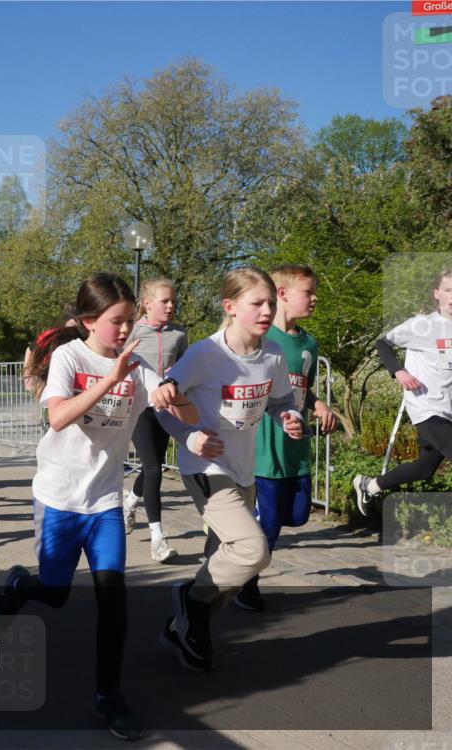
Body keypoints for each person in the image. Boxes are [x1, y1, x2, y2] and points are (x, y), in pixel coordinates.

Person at [0, 272, 197, 741]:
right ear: (89, 321)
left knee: (113, 600)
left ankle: (109, 695)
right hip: (60, 497)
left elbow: (182, 415)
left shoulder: (138, 364)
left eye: (129, 322)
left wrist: (178, 401)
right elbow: (60, 416)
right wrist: (112, 379)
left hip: (105, 500)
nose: (125, 331)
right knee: (57, 591)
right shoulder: (69, 356)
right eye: (116, 322)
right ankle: (20, 586)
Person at [155, 267, 305, 672]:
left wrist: (289, 416)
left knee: (227, 566)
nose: (266, 309)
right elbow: (162, 402)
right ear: (230, 307)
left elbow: (280, 401)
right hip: (206, 467)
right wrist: (189, 438)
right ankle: (189, 601)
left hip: (244, 469)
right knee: (253, 550)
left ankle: (180, 629)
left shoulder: (272, 353)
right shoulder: (207, 354)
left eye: (271, 302)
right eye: (256, 302)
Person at [238, 264, 339, 611]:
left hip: (296, 447)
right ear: (282, 294)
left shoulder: (309, 342)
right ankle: (246, 584)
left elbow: (301, 389)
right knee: (269, 526)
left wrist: (320, 405)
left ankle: (245, 532)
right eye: (307, 292)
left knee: (297, 515)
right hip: (265, 448)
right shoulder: (260, 339)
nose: (314, 298)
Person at [354, 268, 452, 512]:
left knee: (425, 468)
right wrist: (399, 371)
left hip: (448, 408)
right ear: (437, 294)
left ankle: (370, 485)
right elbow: (383, 343)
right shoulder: (422, 325)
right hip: (427, 406)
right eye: (449, 290)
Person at [123, 279, 189, 563]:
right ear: (147, 303)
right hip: (140, 409)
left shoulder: (179, 335)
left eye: (173, 301)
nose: (171, 306)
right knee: (152, 468)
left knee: (155, 467)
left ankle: (129, 502)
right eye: (165, 301)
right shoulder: (131, 332)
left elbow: (187, 367)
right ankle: (158, 539)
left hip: (166, 408)